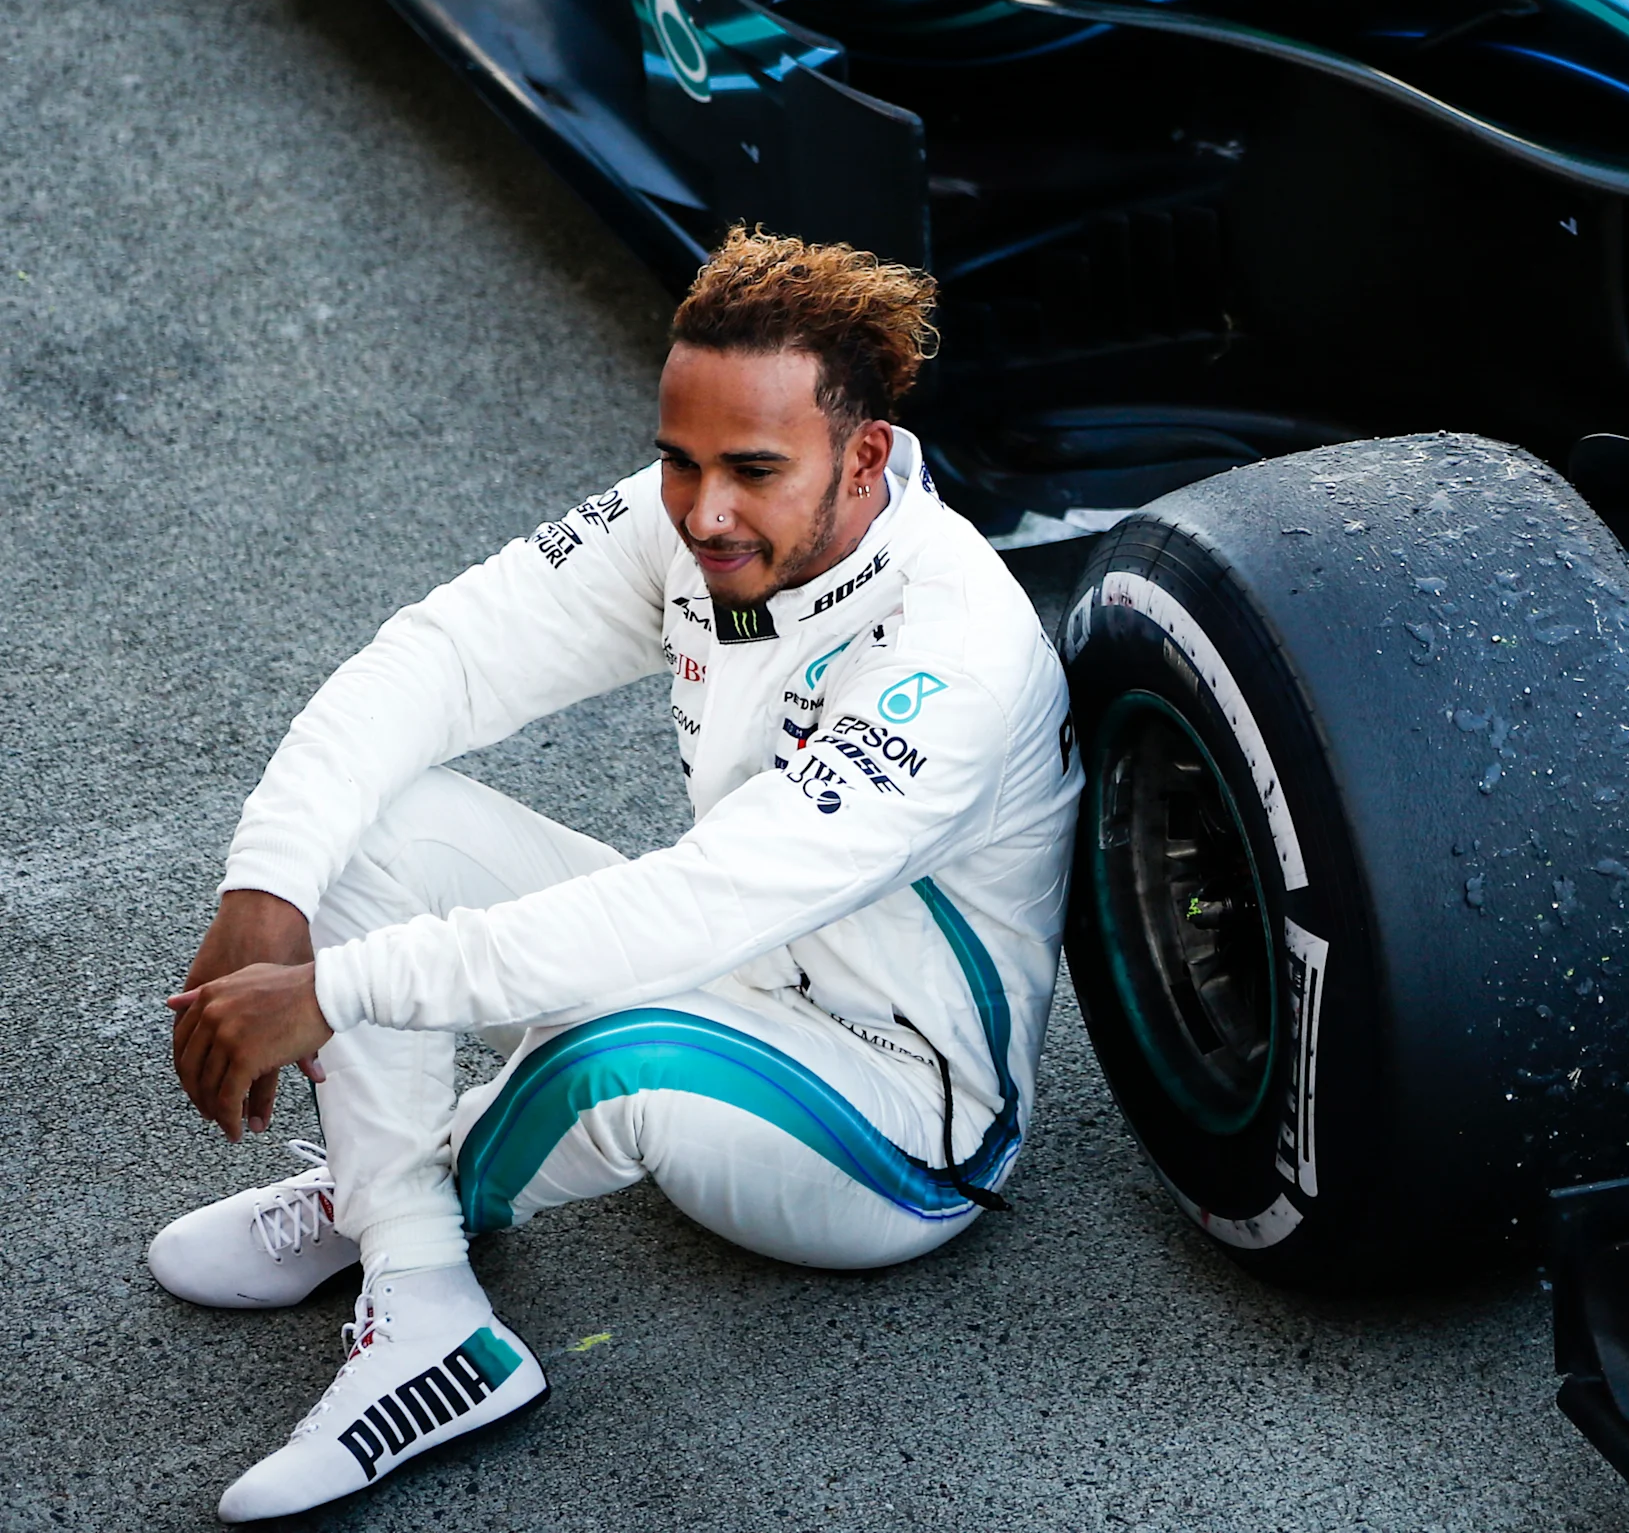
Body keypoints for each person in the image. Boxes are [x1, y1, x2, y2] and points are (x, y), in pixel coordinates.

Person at [157, 229, 1081, 1520]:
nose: (703, 511)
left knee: (618, 1054)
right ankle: (414, 1273)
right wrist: (266, 890)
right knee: (374, 832)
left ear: (864, 457)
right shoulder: (705, 525)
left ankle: (391, 1200)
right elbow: (443, 659)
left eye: (751, 470)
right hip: (738, 969)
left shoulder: (956, 651)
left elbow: (697, 904)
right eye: (678, 461)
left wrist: (336, 991)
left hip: (897, 1118)